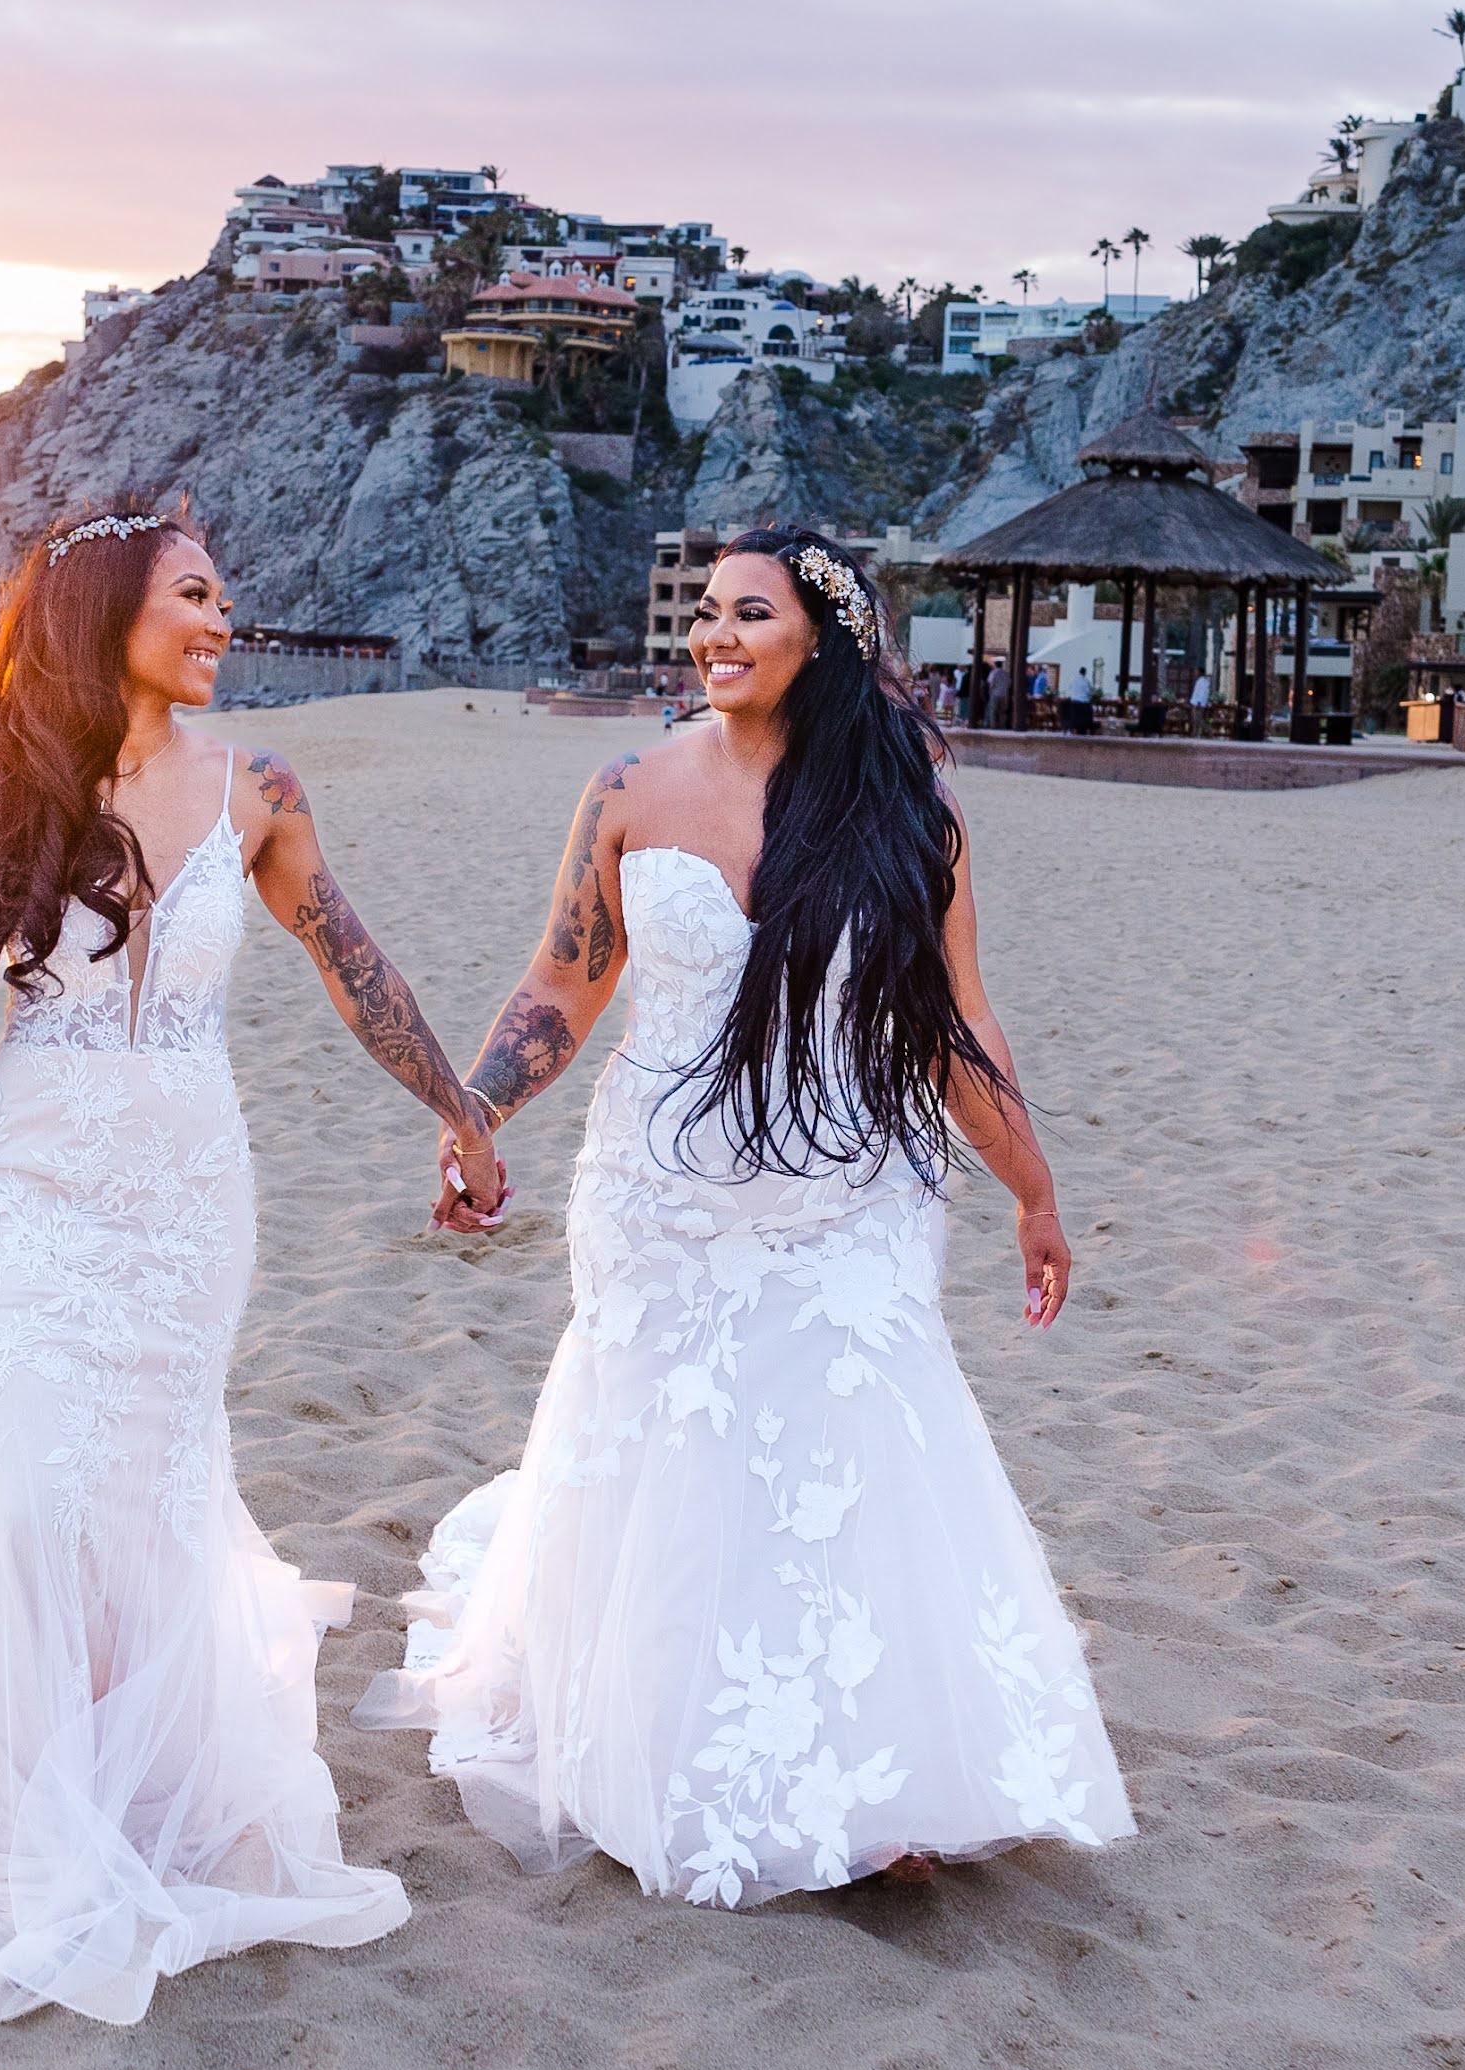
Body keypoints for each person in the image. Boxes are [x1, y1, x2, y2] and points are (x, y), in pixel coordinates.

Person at [0, 506, 508, 2021]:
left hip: (188, 1199)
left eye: (225, 596)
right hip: (32, 1190)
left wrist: (459, 1106)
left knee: (149, 1489)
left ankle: (139, 1790)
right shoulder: (0, 786)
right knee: (33, 1479)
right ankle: (10, 1806)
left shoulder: (260, 788)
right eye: (193, 594)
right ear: (107, 612)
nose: (222, 618)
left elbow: (352, 963)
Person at [357, 526, 1132, 1903]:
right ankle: (671, 1729)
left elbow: (953, 1018)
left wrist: (1034, 1188)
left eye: (751, 613)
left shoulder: (908, 808)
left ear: (821, 638)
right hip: (662, 1195)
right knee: (684, 1454)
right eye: (706, 610)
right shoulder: (626, 787)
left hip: (849, 1190)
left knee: (854, 1441)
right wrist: (476, 1113)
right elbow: (563, 982)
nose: (714, 634)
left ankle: (880, 1768)